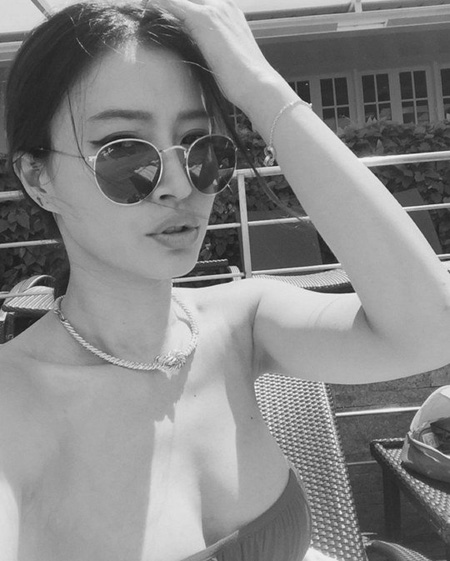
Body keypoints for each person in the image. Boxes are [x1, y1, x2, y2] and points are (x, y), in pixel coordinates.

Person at [1, 1, 450, 560]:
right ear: (38, 178)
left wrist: (260, 86)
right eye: (124, 154)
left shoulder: (242, 322)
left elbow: (430, 328)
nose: (178, 184)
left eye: (202, 148)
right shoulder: (12, 408)